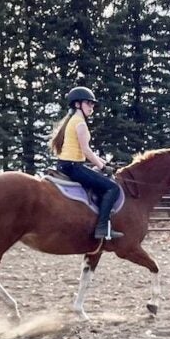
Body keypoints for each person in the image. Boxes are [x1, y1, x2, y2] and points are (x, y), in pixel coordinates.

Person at [50, 86, 123, 240]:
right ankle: (102, 228)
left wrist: (105, 163)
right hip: (73, 167)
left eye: (92, 104)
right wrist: (103, 167)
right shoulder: (80, 124)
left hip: (67, 165)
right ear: (77, 104)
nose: (91, 107)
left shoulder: (73, 121)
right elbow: (86, 150)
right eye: (88, 103)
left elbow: (85, 151)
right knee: (113, 188)